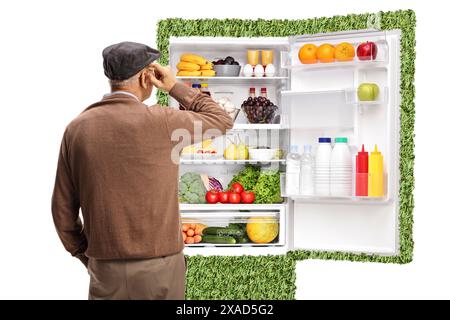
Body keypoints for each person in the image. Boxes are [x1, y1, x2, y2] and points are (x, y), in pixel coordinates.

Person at [51, 41, 233, 300]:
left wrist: (88, 255)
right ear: (147, 76)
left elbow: (62, 210)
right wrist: (173, 86)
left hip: (105, 267)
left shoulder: (77, 129)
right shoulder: (164, 121)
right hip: (161, 268)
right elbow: (222, 120)